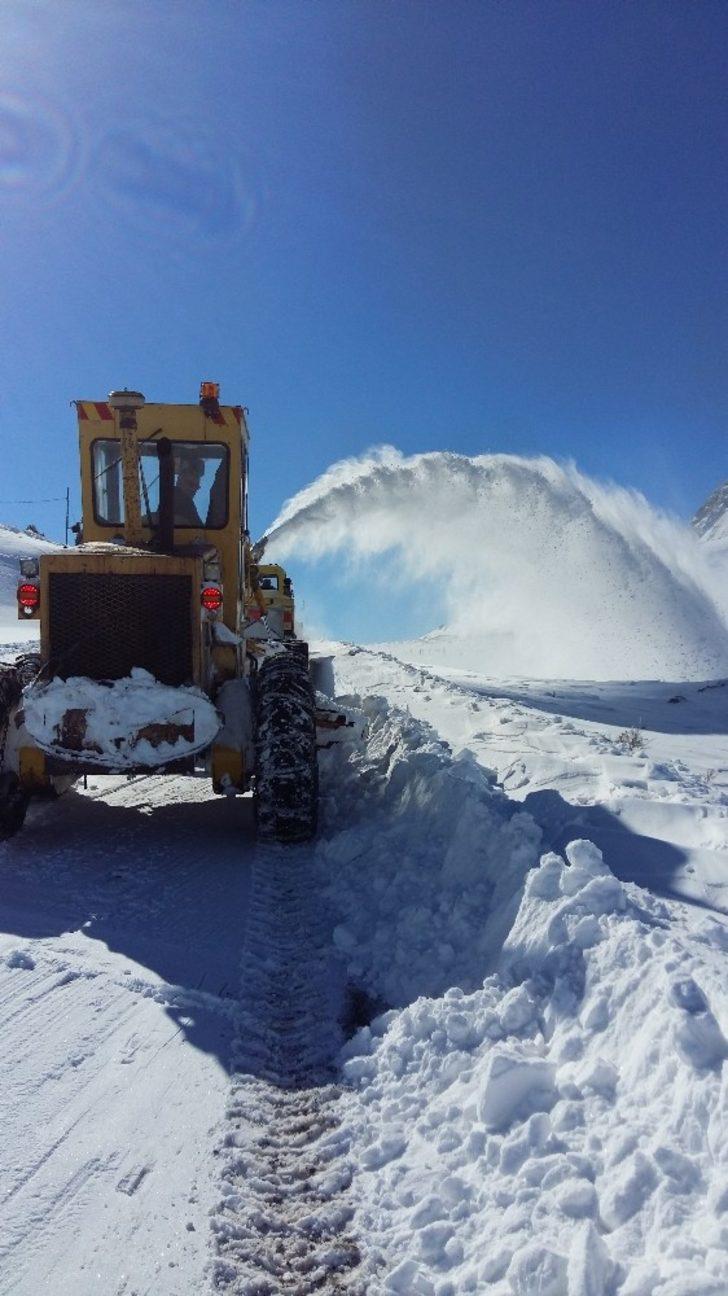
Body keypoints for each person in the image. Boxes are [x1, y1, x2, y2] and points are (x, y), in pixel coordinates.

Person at [173, 452, 205, 526]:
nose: (194, 491)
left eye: (197, 487)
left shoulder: (169, 496)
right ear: (181, 477)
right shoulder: (181, 501)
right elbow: (200, 530)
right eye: (191, 485)